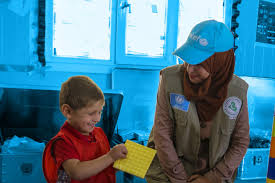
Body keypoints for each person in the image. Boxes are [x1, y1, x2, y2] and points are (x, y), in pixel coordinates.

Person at [145, 20, 250, 183]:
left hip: (214, 174)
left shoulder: (237, 91)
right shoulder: (169, 80)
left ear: (220, 62)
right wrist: (180, 178)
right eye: (188, 59)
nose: (190, 69)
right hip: (169, 172)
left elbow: (240, 142)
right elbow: (161, 132)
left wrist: (212, 178)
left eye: (200, 63)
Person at [42, 76, 128, 183]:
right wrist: (110, 156)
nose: (97, 119)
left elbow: (101, 165)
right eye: (91, 113)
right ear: (68, 111)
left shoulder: (99, 134)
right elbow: (76, 172)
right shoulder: (62, 142)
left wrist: (116, 161)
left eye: (100, 112)